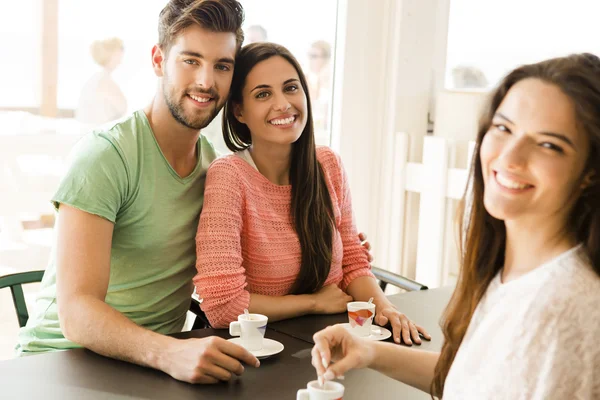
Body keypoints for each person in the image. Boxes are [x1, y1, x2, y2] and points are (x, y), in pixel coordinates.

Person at [310, 53, 600, 399]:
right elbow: (477, 380)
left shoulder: (560, 310)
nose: (510, 156)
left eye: (548, 144)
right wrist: (370, 351)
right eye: (503, 128)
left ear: (590, 172)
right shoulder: (512, 274)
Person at [17, 0, 260, 385]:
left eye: (222, 66)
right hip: (57, 366)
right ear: (159, 60)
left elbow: (239, 270)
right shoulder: (106, 155)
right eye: (190, 60)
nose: (206, 81)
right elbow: (77, 311)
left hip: (149, 368)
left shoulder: (214, 169)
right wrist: (168, 352)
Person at [193, 42, 431, 345]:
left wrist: (385, 307)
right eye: (263, 94)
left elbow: (353, 264)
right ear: (239, 111)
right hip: (257, 350)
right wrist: (313, 302)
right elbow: (223, 306)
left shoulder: (328, 165)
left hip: (329, 338)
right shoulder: (229, 176)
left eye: (291, 88)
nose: (283, 104)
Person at [76, 37, 128, 125]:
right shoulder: (103, 80)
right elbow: (122, 107)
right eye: (120, 53)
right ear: (113, 54)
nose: (121, 61)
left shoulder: (98, 78)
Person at [306, 40, 332, 131]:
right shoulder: (310, 80)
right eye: (309, 56)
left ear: (326, 58)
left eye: (314, 56)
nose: (310, 60)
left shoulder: (330, 83)